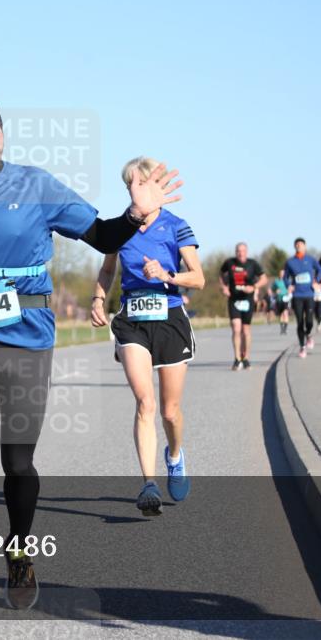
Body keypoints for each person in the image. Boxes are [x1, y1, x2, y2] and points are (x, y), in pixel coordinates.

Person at [0, 88, 183, 634]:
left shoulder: (36, 185)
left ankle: (20, 549)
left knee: (19, 463)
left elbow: (101, 233)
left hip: (30, 339)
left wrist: (134, 214)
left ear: (2, 134)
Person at [91, 156, 204, 518]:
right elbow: (108, 270)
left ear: (155, 189)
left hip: (169, 318)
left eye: (140, 184)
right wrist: (97, 298)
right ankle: (149, 484)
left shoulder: (176, 226)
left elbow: (198, 277)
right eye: (129, 185)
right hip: (132, 321)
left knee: (170, 412)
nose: (133, 191)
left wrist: (168, 275)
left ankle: (174, 455)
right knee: (146, 403)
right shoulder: (120, 227)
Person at [218, 243, 266, 370]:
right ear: (235, 252)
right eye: (238, 251)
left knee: (246, 330)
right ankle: (237, 358)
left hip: (247, 300)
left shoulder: (252, 264)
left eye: (243, 251)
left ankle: (246, 358)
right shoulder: (229, 263)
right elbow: (221, 275)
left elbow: (264, 279)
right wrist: (224, 287)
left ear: (247, 252)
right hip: (234, 299)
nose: (241, 253)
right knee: (236, 328)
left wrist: (254, 287)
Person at [283, 237, 321, 358]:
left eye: (301, 244)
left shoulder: (310, 259)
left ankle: (309, 336)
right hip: (297, 295)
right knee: (300, 322)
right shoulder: (290, 262)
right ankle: (302, 347)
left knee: (309, 321)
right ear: (295, 247)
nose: (299, 246)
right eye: (297, 245)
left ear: (305, 246)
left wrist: (317, 280)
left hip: (309, 294)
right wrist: (289, 285)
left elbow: (320, 270)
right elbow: (285, 277)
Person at [272, 270, 291, 334]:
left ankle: (285, 329)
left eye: (283, 273)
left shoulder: (287, 281)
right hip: (278, 299)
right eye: (281, 273)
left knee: (285, 313)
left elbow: (291, 288)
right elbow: (272, 289)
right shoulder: (276, 281)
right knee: (281, 315)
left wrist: (289, 291)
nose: (282, 275)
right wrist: (275, 291)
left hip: (285, 299)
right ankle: (282, 329)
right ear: (279, 274)